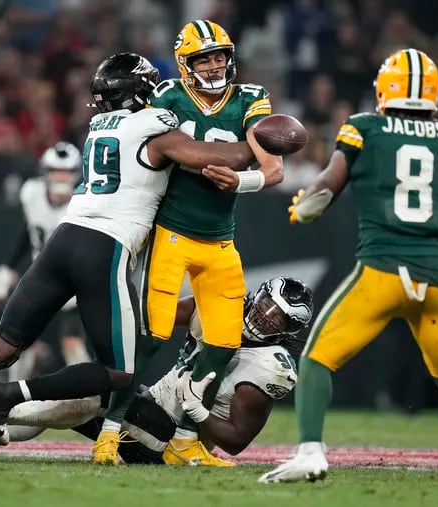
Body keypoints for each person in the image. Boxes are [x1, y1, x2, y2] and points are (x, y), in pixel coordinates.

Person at [0, 52, 256, 459]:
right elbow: (223, 157)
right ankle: (10, 393)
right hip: (104, 246)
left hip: (61, 241)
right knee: (120, 372)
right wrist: (260, 140)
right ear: (141, 91)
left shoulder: (99, 126)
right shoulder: (155, 127)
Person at [258, 48, 438, 490]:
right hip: (435, 275)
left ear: (384, 89)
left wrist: (306, 208)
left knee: (315, 360)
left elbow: (326, 188)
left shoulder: (364, 128)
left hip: (384, 269)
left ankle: (311, 451)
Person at [94, 18, 284, 469]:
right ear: (186, 63)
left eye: (219, 56)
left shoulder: (250, 98)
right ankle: (108, 431)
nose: (215, 65)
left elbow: (273, 170)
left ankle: (183, 439)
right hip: (172, 234)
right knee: (150, 339)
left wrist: (242, 179)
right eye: (204, 58)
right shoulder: (167, 99)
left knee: (221, 342)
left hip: (220, 241)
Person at [0, 277, 314, 464]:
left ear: (289, 331)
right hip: (148, 409)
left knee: (101, 392)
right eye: (264, 305)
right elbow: (157, 315)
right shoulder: (217, 310)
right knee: (83, 396)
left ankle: (1, 404)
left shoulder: (270, 366)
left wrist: (198, 412)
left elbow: (237, 441)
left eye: (276, 318)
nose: (263, 317)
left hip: (171, 442)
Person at [0, 141, 93, 377]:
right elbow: (30, 230)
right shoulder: (32, 193)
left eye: (66, 172)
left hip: (76, 281)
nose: (60, 177)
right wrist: (8, 266)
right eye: (56, 171)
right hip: (42, 277)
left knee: (73, 345)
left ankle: (90, 399)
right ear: (46, 172)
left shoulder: (84, 202)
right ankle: (12, 397)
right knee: (18, 339)